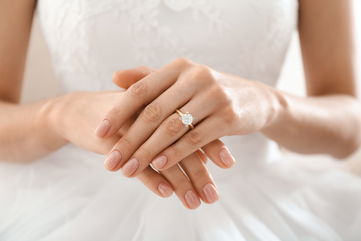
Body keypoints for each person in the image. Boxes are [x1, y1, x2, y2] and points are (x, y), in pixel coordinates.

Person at [0, 0, 361, 240]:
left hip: (266, 207)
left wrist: (271, 104)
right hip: (64, 208)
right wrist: (61, 114)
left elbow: (349, 124)